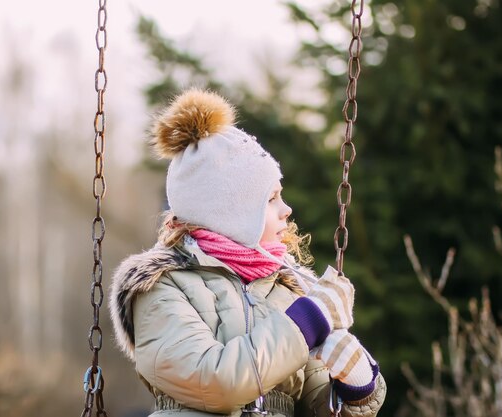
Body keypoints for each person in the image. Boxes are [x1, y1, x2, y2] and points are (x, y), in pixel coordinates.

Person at [109, 89, 386, 417]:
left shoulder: (287, 290)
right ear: (231, 213)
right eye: (271, 199)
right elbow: (217, 384)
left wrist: (354, 386)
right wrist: (308, 321)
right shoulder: (162, 287)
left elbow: (314, 405)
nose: (287, 209)